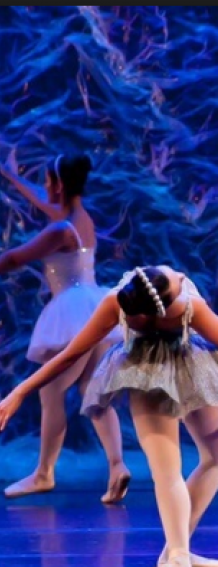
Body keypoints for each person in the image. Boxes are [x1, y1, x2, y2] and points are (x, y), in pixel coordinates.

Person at [0, 265, 218, 567]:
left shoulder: (121, 300)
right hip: (156, 373)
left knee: (207, 460)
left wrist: (18, 392)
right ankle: (178, 558)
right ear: (165, 303)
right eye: (174, 279)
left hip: (182, 370)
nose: (180, 275)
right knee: (182, 467)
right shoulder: (183, 304)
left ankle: (176, 551)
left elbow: (70, 355)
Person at [0, 151, 130, 503]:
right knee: (94, 392)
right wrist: (11, 177)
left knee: (50, 392)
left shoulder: (59, 229)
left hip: (74, 312)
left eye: (47, 181)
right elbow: (43, 202)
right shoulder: (78, 218)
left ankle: (43, 474)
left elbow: (13, 259)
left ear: (58, 184)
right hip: (96, 307)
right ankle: (118, 465)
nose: (44, 188)